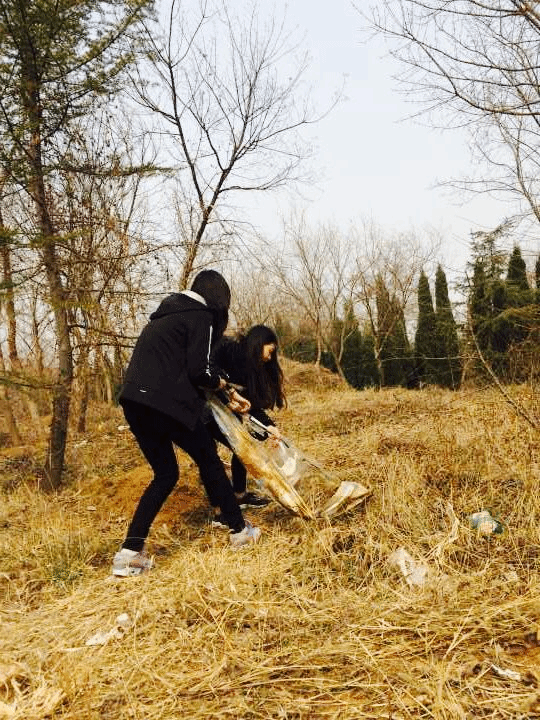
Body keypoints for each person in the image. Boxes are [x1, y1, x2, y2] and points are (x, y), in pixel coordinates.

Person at [112, 270, 261, 577]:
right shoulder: (201, 316)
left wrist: (228, 393)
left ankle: (129, 554)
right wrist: (224, 384)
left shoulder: (163, 317)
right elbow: (199, 372)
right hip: (167, 404)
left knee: (165, 474)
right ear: (218, 298)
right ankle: (239, 531)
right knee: (209, 461)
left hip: (134, 402)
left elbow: (185, 368)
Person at [207, 324, 286, 528]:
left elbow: (252, 406)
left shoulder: (252, 370)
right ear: (258, 344)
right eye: (270, 351)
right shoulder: (227, 348)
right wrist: (228, 391)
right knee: (208, 456)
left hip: (223, 410)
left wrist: (269, 427)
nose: (270, 357)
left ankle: (240, 495)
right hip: (201, 408)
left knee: (244, 445)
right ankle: (219, 512)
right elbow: (208, 369)